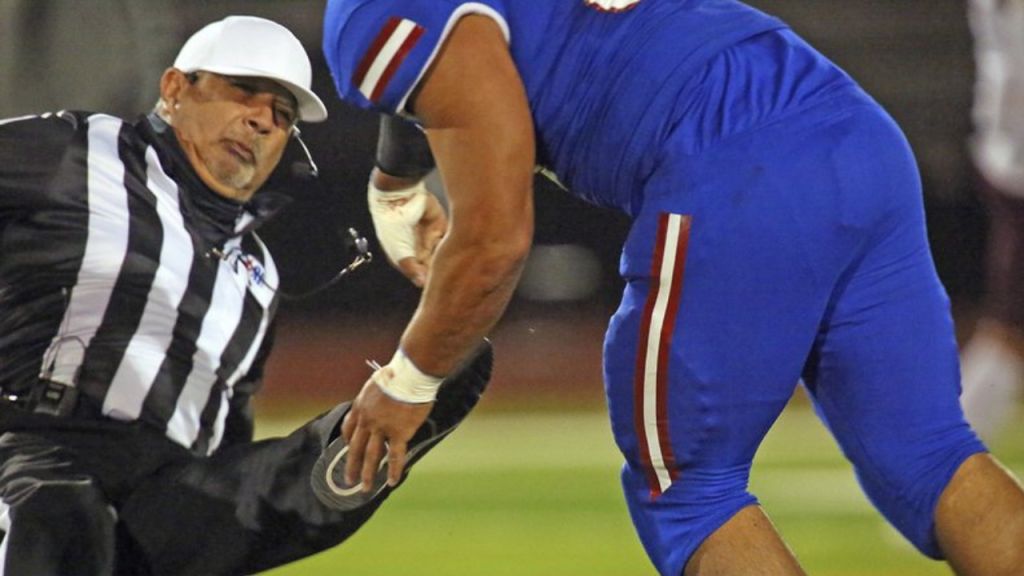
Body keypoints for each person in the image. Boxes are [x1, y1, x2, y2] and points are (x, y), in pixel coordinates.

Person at [321, 1, 1024, 575]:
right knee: (930, 455)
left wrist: (409, 381)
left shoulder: (375, 12)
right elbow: (457, 46)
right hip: (852, 130)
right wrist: (396, 179)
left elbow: (494, 240)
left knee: (688, 494)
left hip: (736, 162)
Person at [0, 15, 491, 576]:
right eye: (243, 92)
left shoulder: (258, 275)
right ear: (175, 89)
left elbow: (231, 431)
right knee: (62, 516)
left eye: (281, 115)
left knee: (287, 493)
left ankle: (393, 403)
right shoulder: (81, 152)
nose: (261, 120)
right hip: (37, 453)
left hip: (171, 494)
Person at [959, 0, 1024, 443]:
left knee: (1007, 330)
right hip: (1015, 163)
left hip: (1005, 156)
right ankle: (942, 460)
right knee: (1007, 332)